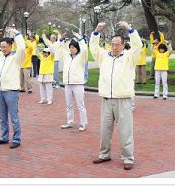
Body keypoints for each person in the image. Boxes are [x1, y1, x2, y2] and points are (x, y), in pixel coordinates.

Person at [90, 21, 142, 170]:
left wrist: (130, 29)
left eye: (117, 44)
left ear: (123, 45)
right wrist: (96, 32)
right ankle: (104, 154)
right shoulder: (104, 57)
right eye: (112, 44)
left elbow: (137, 45)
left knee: (125, 130)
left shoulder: (129, 57)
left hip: (123, 100)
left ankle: (128, 158)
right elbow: (93, 47)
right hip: (106, 99)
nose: (114, 47)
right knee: (105, 130)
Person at [0, 27, 26, 149]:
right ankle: (4, 137)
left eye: (5, 47)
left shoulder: (16, 58)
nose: (2, 49)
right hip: (0, 91)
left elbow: (22, 48)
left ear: (11, 46)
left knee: (14, 117)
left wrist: (17, 34)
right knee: (2, 117)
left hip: (11, 91)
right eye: (1, 47)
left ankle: (17, 139)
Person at [58, 33, 88, 131]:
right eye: (70, 47)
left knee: (80, 104)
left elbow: (84, 49)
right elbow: (60, 49)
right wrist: (61, 39)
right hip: (68, 84)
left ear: (77, 48)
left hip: (78, 84)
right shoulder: (67, 56)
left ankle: (83, 123)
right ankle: (70, 121)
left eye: (73, 47)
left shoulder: (81, 57)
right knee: (69, 104)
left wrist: (80, 39)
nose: (71, 49)